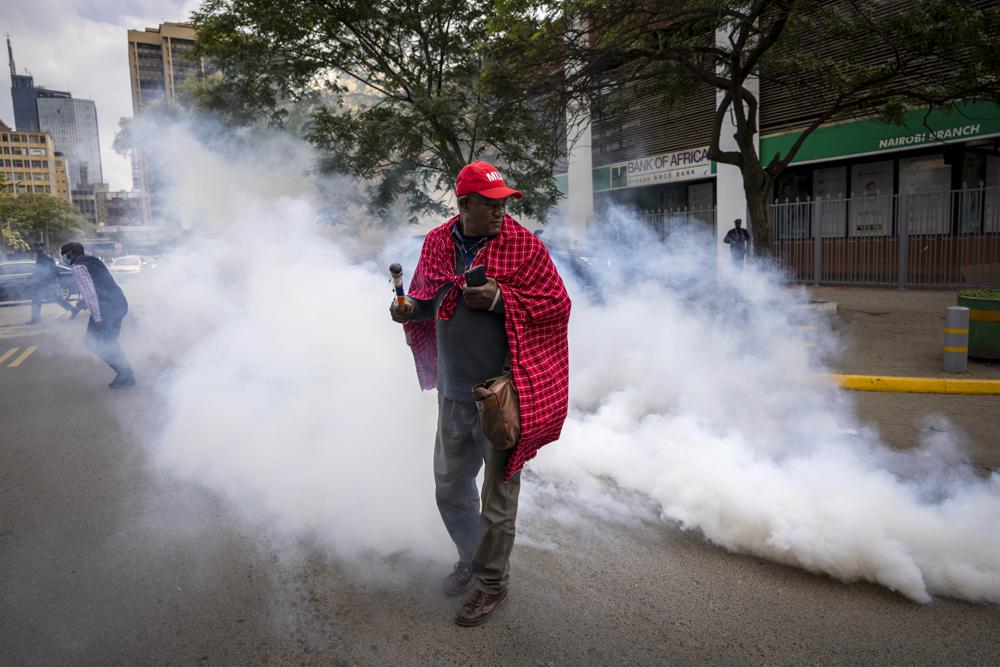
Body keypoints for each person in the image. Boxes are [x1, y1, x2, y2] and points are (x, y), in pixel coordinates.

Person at [389, 161, 571, 627]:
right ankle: (472, 557)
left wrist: (500, 300)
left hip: (501, 397)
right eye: (491, 205)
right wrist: (408, 310)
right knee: (450, 489)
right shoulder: (436, 244)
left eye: (504, 205)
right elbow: (427, 300)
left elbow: (556, 306)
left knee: (498, 499)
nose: (500, 214)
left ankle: (492, 585)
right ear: (464, 204)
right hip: (452, 393)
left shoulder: (522, 245)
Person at [60, 241, 135, 388]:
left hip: (106, 309)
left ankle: (125, 372)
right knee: (109, 341)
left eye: (63, 255)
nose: (63, 258)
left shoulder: (78, 267)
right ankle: (125, 374)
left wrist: (98, 317)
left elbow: (91, 293)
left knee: (93, 342)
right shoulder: (94, 261)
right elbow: (101, 285)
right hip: (118, 303)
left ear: (70, 254)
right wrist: (84, 304)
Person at [27, 243, 74, 324]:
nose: (37, 249)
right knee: (55, 298)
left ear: (41, 248)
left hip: (46, 283)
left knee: (36, 299)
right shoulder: (41, 258)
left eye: (38, 248)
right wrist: (32, 276)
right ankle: (73, 309)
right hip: (45, 283)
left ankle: (36, 319)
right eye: (36, 247)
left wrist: (40, 278)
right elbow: (39, 271)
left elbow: (51, 271)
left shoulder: (46, 258)